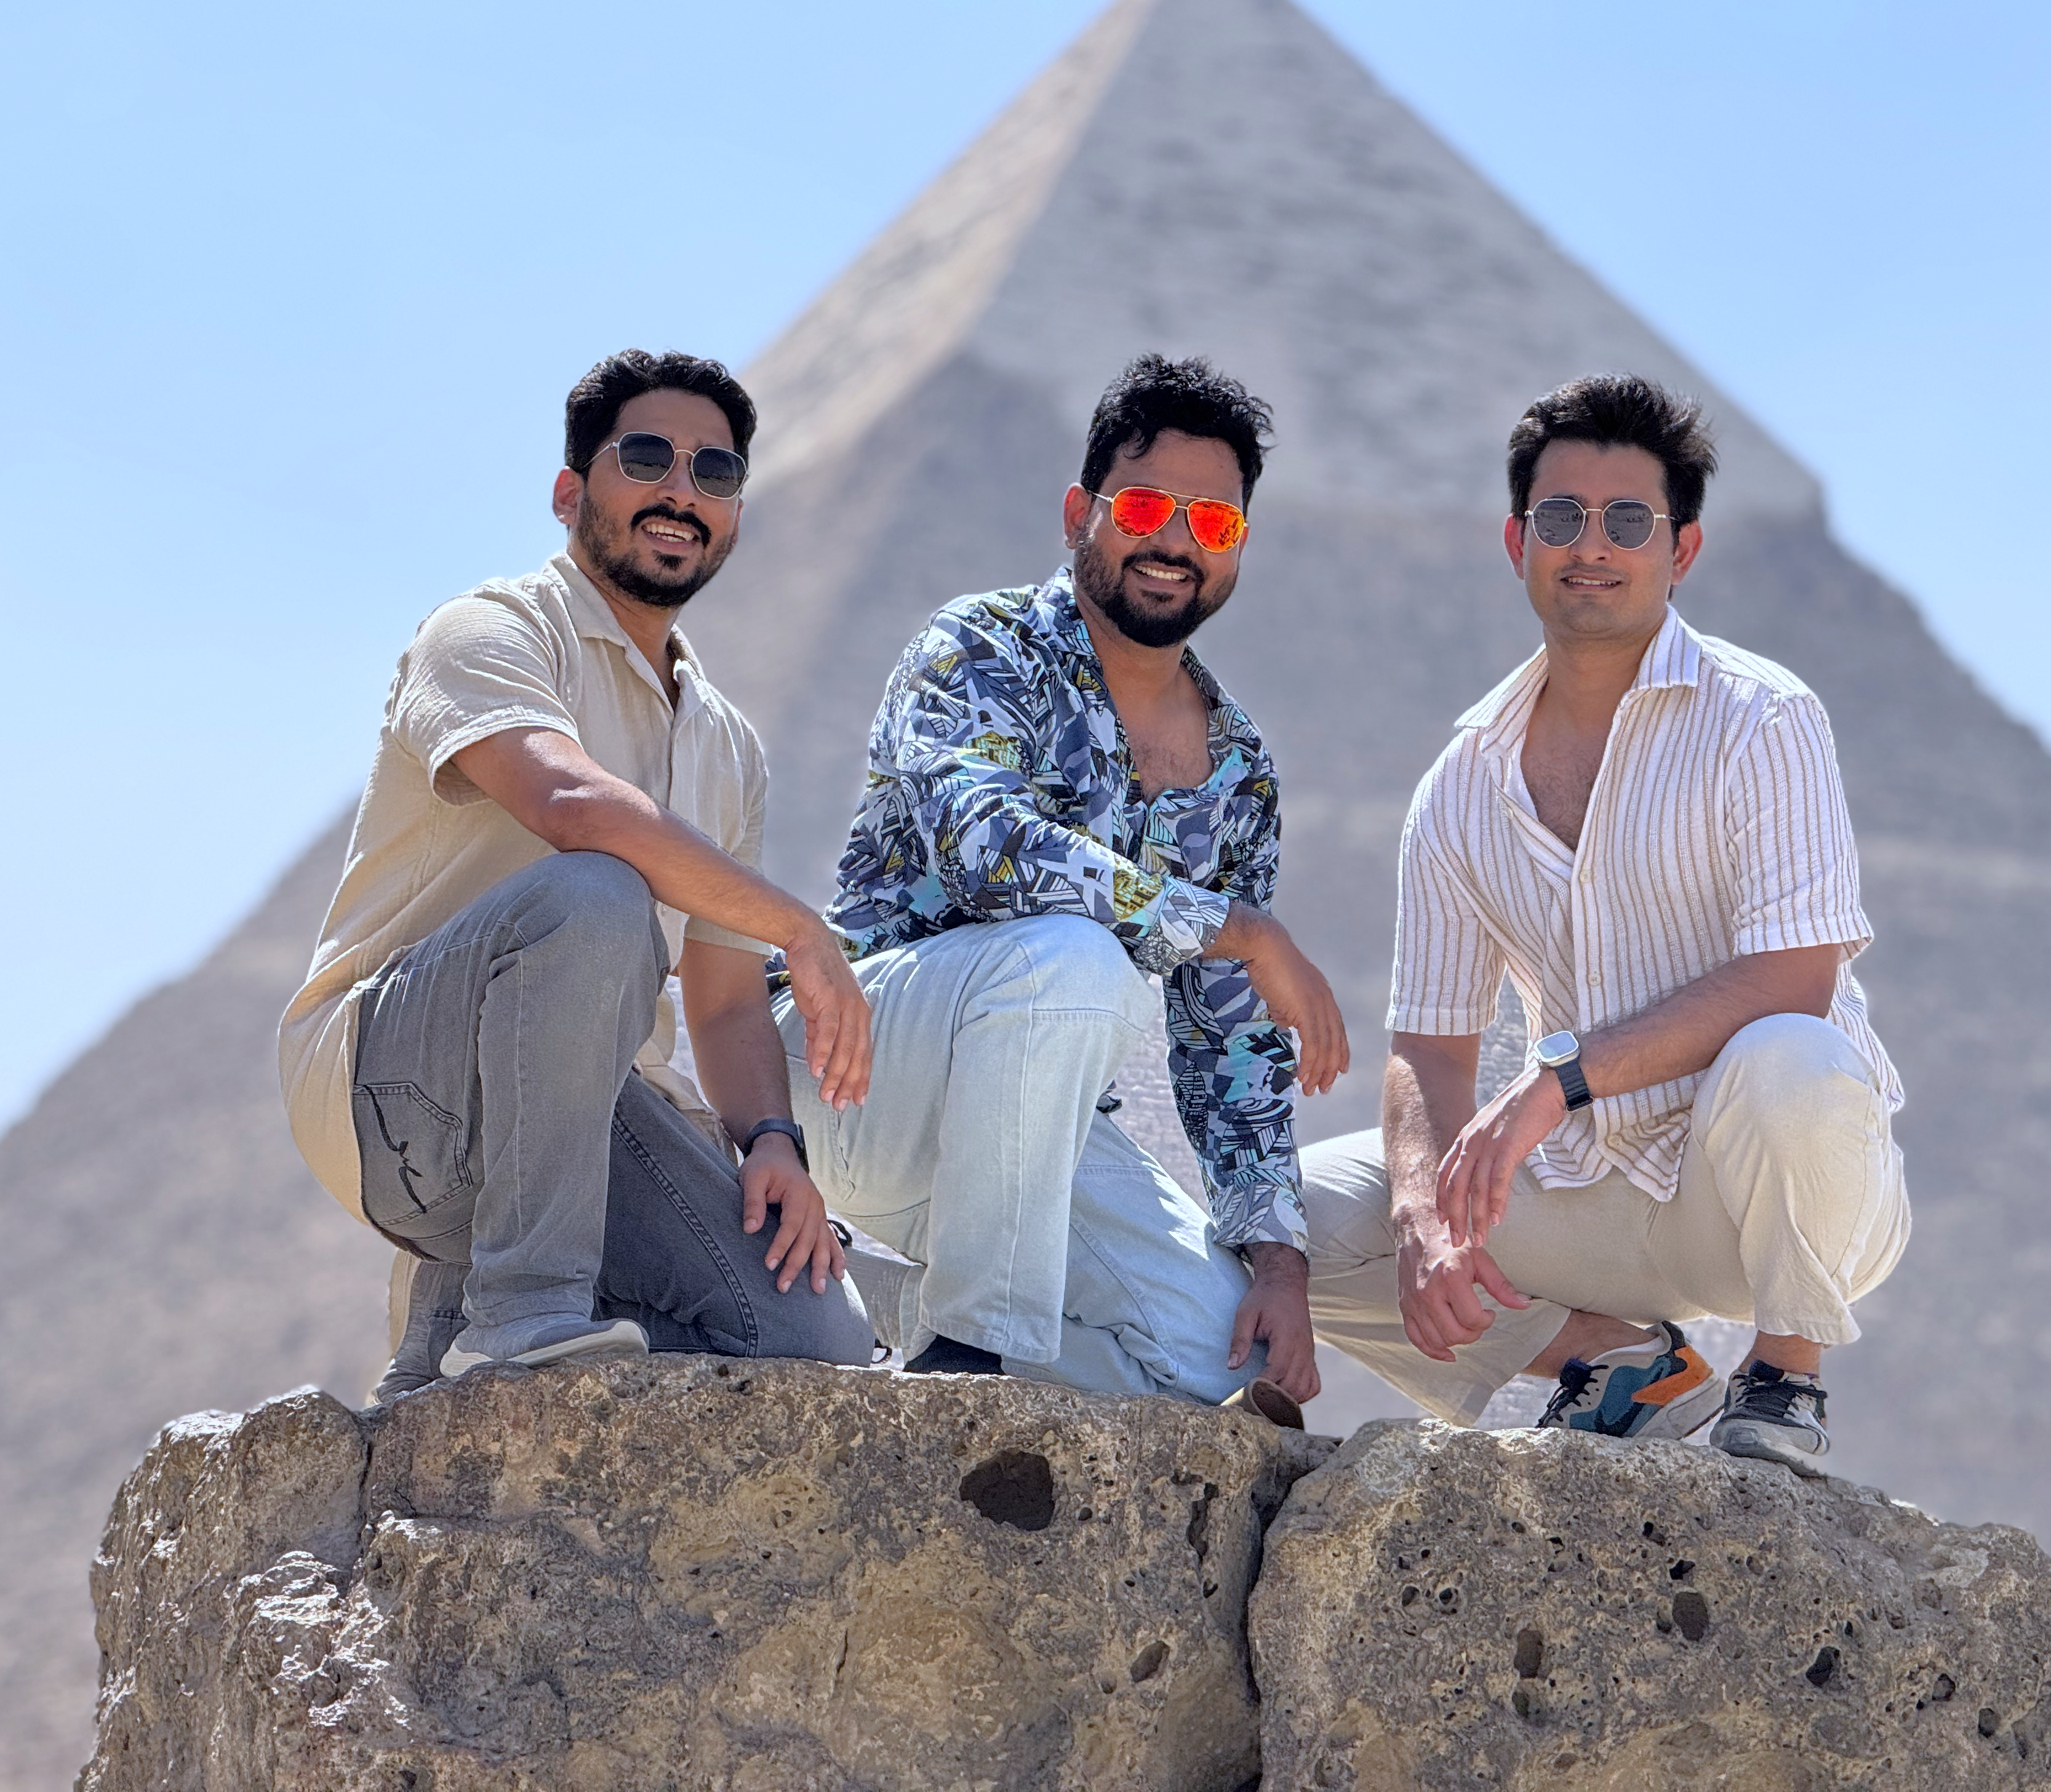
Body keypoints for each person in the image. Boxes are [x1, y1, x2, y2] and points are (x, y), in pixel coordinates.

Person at [1303, 374, 1908, 1475]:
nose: (1593, 545)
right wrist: (1421, 1219)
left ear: (1682, 552)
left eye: (1629, 519)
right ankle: (1620, 1358)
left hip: (1765, 1193)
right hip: (1586, 1193)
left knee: (1796, 1056)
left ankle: (1784, 1378)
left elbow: (1795, 980)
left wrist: (1558, 1079)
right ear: (1515, 540)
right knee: (1294, 1224)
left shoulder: (1761, 719)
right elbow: (1430, 1048)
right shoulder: (1459, 785)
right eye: (1562, 518)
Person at [279, 350, 878, 1403]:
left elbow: (727, 1001)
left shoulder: (727, 746)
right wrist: (803, 928)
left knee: (810, 1332)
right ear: (570, 493)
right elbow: (568, 806)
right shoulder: (488, 631)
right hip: (397, 1088)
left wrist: (772, 1142)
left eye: (716, 473)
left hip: (588, 1114)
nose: (682, 491)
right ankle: (518, 1314)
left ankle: (459, 1315)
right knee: (601, 892)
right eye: (645, 457)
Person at [778, 354, 1349, 1413]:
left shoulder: (1238, 771)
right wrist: (1234, 926)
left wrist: (1277, 1257)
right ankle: (965, 1363)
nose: (1176, 543)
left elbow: (1231, 1040)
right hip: (850, 1074)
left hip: (1029, 1136)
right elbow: (989, 849)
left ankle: (894, 1311)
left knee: (1220, 1362)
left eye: (1213, 524)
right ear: (1080, 513)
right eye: (1145, 507)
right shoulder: (980, 646)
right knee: (1075, 957)